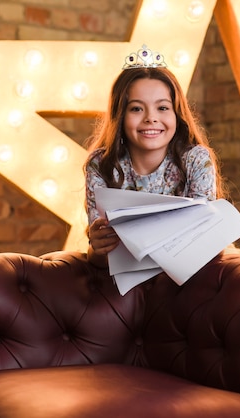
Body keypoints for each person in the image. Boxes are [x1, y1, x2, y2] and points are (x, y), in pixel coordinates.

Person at [83, 45, 227, 268]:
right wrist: (97, 242)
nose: (151, 118)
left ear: (177, 114)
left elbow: (202, 239)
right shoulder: (101, 165)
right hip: (126, 277)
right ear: (120, 116)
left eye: (162, 108)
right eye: (136, 109)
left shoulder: (196, 160)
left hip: (186, 275)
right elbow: (100, 252)